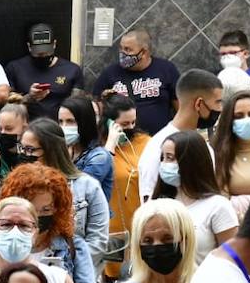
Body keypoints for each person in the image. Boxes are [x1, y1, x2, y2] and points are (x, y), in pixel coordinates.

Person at [17, 118, 110, 263]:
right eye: (22, 148)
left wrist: (70, 265)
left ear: (51, 150)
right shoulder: (17, 186)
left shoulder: (88, 187)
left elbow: (97, 241)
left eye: (30, 150)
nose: (24, 155)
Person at [153, 131, 239, 263]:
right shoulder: (159, 204)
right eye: (162, 158)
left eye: (170, 158)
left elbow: (231, 259)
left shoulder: (217, 206)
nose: (164, 164)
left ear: (190, 161)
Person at [137, 69, 223, 201]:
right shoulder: (158, 147)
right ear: (199, 104)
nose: (220, 109)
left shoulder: (203, 145)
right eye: (218, 102)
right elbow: (148, 201)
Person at [94, 28, 182, 135]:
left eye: (128, 49)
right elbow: (97, 109)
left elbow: (180, 108)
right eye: (121, 49)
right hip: (123, 141)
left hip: (159, 141)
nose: (122, 53)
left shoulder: (166, 70)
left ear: (143, 52)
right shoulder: (110, 73)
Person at [102, 95, 151, 280]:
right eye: (124, 124)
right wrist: (110, 144)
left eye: (133, 122)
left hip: (140, 222)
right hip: (113, 228)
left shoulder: (145, 142)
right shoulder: (100, 149)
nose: (130, 128)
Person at [4, 23, 86, 121]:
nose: (43, 56)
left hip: (59, 127)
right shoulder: (15, 68)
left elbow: (78, 106)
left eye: (46, 52)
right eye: (38, 53)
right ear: (29, 47)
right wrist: (30, 97)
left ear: (54, 44)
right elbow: (8, 106)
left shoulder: (72, 70)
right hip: (26, 127)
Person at [61, 97, 113, 201]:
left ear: (85, 123)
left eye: (70, 121)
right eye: (60, 121)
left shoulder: (99, 157)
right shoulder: (67, 151)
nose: (64, 127)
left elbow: (77, 191)